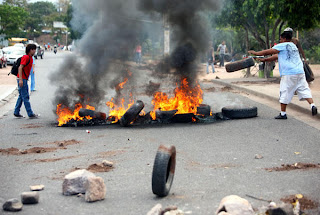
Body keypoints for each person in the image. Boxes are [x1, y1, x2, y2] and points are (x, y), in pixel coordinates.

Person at [248, 31, 317, 119]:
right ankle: (312, 105)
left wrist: (256, 53)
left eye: (280, 39)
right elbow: (276, 56)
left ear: (284, 39)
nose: (280, 41)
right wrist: (264, 60)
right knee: (304, 89)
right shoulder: (293, 46)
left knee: (284, 91)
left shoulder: (283, 45)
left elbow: (269, 51)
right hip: (300, 72)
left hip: (289, 73)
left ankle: (283, 114)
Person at [14, 44, 38, 118]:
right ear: (30, 50)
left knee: (21, 96)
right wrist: (21, 80)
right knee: (25, 96)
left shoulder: (30, 58)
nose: (35, 51)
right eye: (34, 49)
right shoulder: (26, 57)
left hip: (24, 79)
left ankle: (16, 112)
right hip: (22, 79)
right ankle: (30, 113)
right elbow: (20, 68)